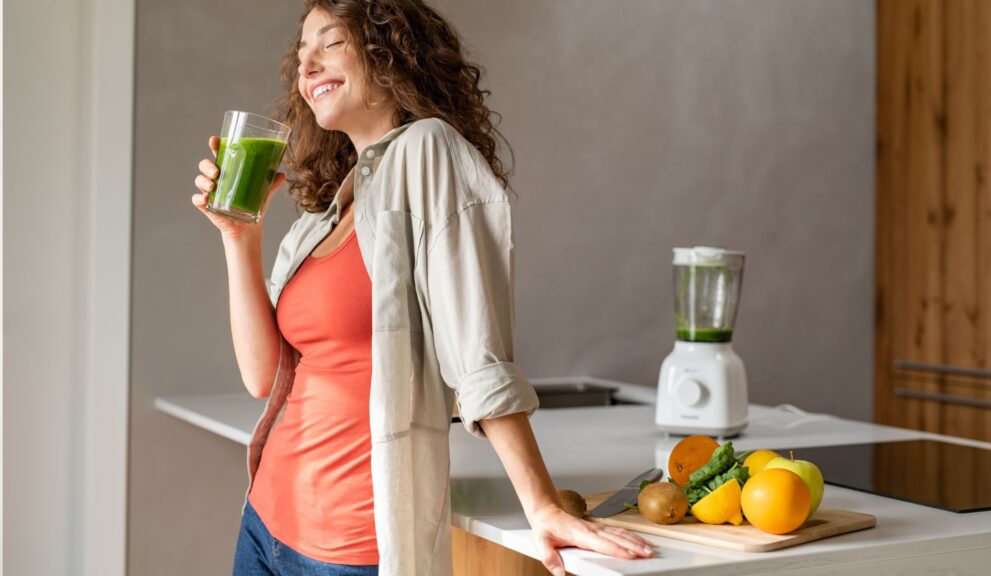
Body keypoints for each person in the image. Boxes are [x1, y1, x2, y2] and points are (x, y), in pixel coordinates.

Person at [192, 1, 656, 575]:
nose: (307, 63)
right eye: (302, 52)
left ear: (391, 54)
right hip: (265, 521)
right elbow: (263, 376)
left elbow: (477, 349)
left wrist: (540, 503)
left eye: (331, 42)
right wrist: (241, 238)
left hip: (349, 549)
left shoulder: (428, 151)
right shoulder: (322, 216)